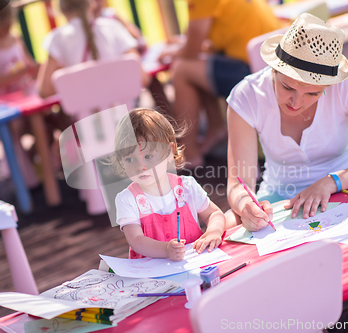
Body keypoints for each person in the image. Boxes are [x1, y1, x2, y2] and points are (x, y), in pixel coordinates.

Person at [225, 13, 348, 231]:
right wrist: (246, 204)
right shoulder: (247, 95)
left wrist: (330, 182)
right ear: (274, 69)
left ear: (329, 85)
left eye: (312, 94)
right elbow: (238, 184)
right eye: (288, 87)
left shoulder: (347, 84)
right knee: (225, 225)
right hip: (281, 198)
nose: (296, 102)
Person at [159, 0, 281, 167]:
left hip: (256, 72)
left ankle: (189, 153)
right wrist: (184, 45)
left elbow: (191, 50)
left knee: (181, 70)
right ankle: (215, 127)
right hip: (273, 63)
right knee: (197, 66)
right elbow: (208, 43)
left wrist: (174, 51)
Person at [111, 108, 225, 261]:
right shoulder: (127, 199)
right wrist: (166, 249)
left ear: (169, 151)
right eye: (130, 160)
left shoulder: (186, 187)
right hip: (151, 276)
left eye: (148, 156)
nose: (141, 166)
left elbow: (214, 214)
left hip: (194, 263)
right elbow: (136, 240)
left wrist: (213, 231)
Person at [0, 2, 40, 188]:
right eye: (2, 21)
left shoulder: (15, 39)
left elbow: (30, 66)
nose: (7, 25)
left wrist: (34, 70)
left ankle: (41, 162)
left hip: (29, 96)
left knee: (47, 120)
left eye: (8, 20)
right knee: (16, 128)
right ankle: (26, 175)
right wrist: (22, 73)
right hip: (8, 105)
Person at [37, 0, 148, 99]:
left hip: (85, 120)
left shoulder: (57, 38)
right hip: (124, 115)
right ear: (91, 4)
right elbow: (142, 77)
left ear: (62, 9)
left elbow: (44, 91)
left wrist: (74, 83)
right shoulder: (113, 27)